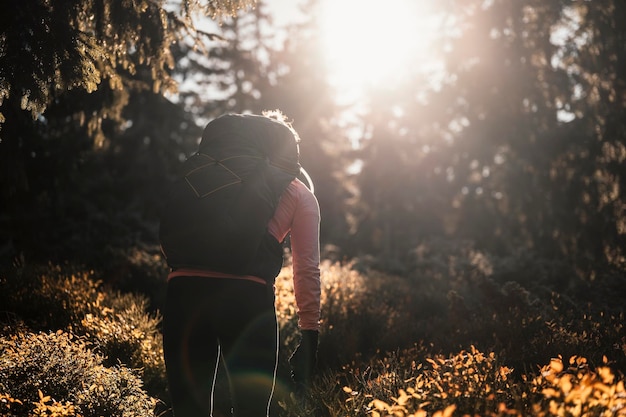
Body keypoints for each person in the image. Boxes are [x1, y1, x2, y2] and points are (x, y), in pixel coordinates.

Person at [160, 111, 321, 417]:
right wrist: (310, 332)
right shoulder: (297, 191)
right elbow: (306, 268)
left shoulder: (204, 173)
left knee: (188, 411)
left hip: (183, 295)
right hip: (247, 302)